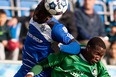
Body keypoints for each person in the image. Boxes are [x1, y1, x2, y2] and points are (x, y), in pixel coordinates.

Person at [14, 0, 80, 77]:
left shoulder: (55, 28)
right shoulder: (35, 19)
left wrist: (61, 48)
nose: (36, 12)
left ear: (48, 15)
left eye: (41, 10)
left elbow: (76, 47)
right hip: (25, 68)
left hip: (39, 72)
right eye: (38, 7)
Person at [25, 37, 110, 77]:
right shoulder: (68, 55)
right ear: (88, 48)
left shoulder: (99, 66)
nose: (98, 58)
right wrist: (30, 74)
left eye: (101, 56)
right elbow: (41, 65)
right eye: (97, 54)